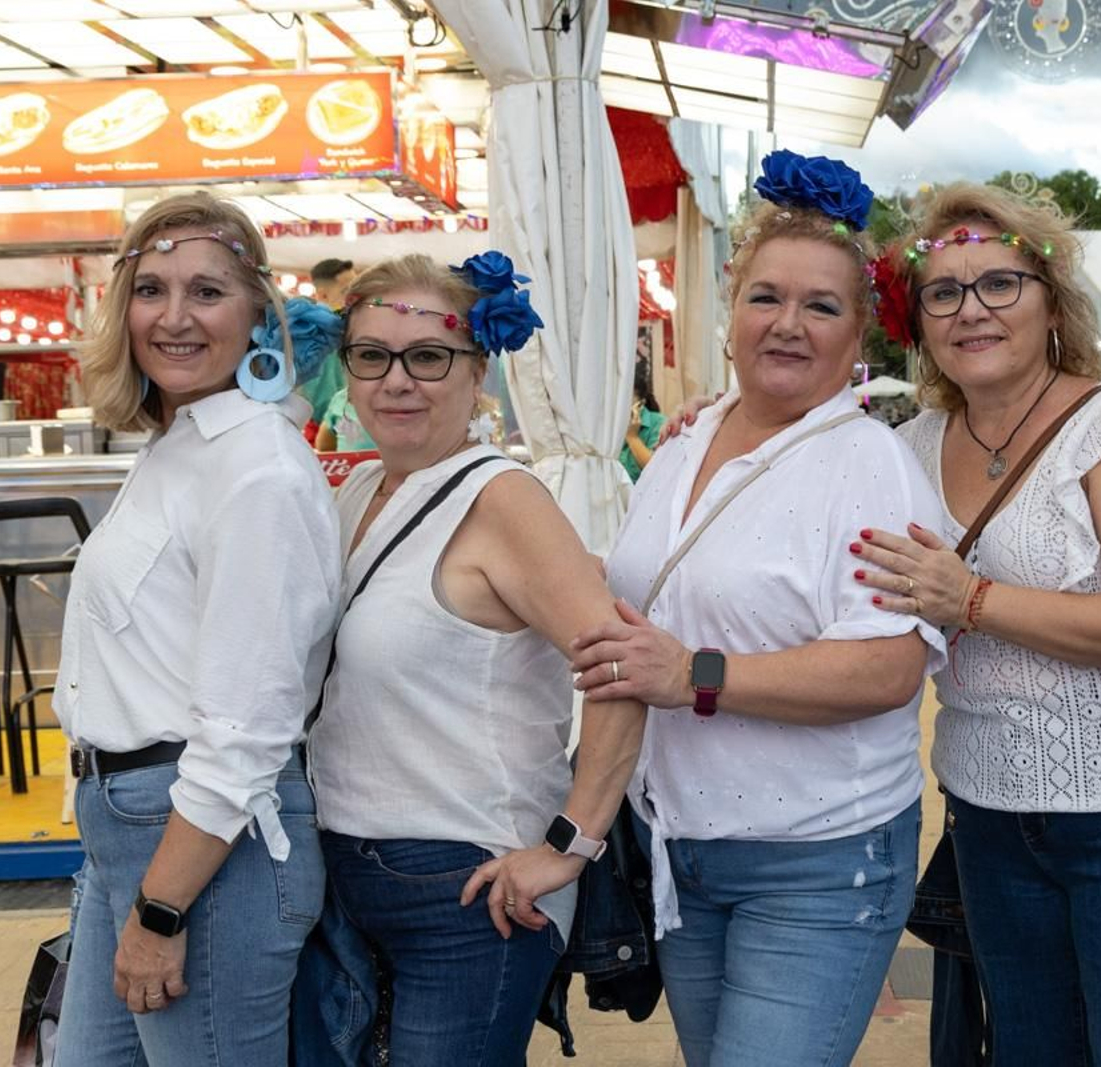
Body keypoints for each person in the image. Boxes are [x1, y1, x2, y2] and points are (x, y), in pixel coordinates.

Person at [562, 150, 945, 1067]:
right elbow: (644, 595)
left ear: (861, 335)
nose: (788, 324)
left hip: (816, 859)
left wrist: (694, 673)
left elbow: (888, 668)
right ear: (730, 310)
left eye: (822, 307)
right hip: (681, 851)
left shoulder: (866, 466)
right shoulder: (683, 442)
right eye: (767, 297)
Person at [850, 182, 1101, 1066]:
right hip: (986, 808)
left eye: (999, 284)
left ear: (1051, 300)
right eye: (942, 293)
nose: (970, 311)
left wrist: (972, 602)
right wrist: (709, 423)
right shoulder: (908, 443)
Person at [293, 252, 647, 1064]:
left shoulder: (502, 499)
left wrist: (569, 844)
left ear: (476, 370)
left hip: (469, 890)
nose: (398, 380)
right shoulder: (350, 495)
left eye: (428, 357)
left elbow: (622, 673)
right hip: (341, 876)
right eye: (373, 356)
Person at [54, 191, 342, 1065]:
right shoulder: (182, 444)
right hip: (131, 834)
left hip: (207, 851)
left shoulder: (256, 468)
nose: (174, 317)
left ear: (258, 309)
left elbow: (246, 727)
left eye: (207, 292)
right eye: (152, 290)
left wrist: (162, 907)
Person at [299, 258, 358, 435]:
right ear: (323, 295)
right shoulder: (316, 333)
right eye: (346, 291)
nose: (355, 297)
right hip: (327, 428)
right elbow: (320, 399)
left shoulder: (349, 328)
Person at [620, 361, 665, 481]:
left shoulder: (658, 423)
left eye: (624, 398)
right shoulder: (611, 427)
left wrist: (632, 437)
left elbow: (658, 471)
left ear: (640, 403)